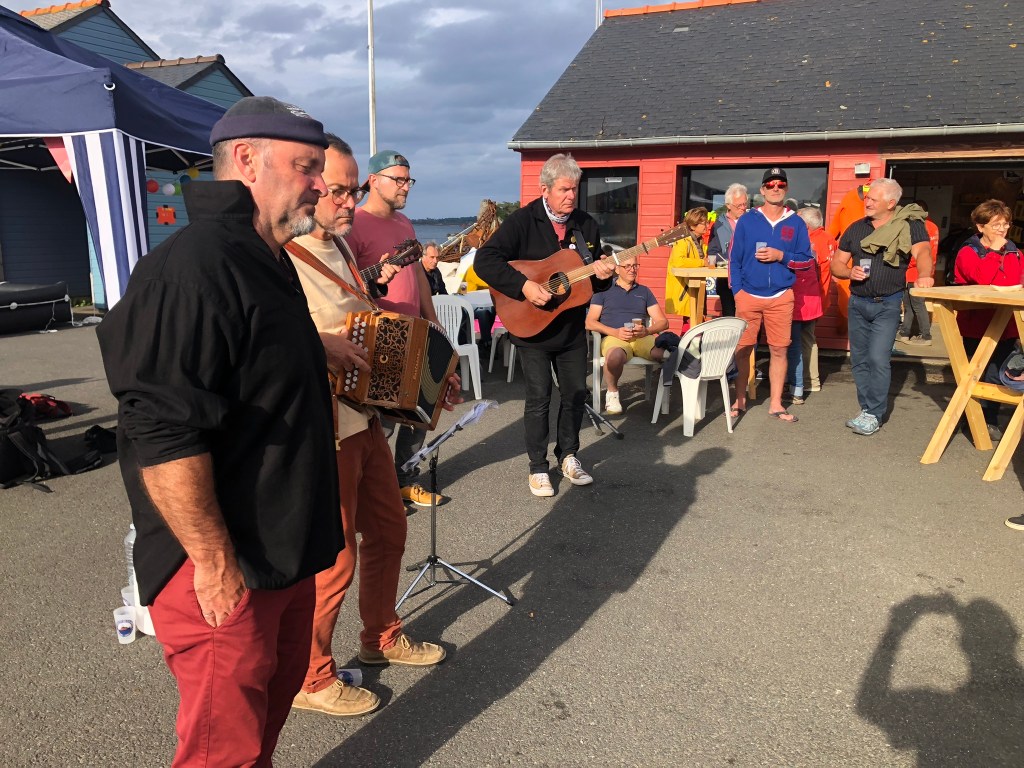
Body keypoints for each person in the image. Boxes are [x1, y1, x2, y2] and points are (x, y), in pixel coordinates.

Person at [97, 96, 345, 767]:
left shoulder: (266, 257)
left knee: (260, 730)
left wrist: (319, 348)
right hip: (223, 562)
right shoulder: (194, 265)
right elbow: (161, 429)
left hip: (283, 549)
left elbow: (248, 357)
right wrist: (212, 562)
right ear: (246, 160)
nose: (319, 184)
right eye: (306, 166)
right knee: (221, 752)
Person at [284, 136, 449, 718]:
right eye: (339, 190)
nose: (350, 202)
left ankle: (379, 636)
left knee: (389, 529)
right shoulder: (283, 255)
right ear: (309, 186)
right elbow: (265, 341)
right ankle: (310, 677)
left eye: (354, 190)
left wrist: (427, 372)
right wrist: (318, 344)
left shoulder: (339, 246)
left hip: (365, 419)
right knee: (334, 562)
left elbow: (366, 319)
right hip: (324, 430)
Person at [475, 153, 615, 497]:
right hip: (531, 326)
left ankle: (568, 456)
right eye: (564, 189)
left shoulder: (586, 225)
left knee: (576, 393)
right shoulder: (523, 221)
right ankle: (538, 467)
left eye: (575, 189)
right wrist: (524, 285)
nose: (571, 196)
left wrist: (603, 276)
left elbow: (590, 283)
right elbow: (485, 261)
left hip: (570, 328)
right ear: (545, 190)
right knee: (539, 397)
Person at [347, 149, 443, 508]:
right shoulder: (353, 223)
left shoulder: (404, 224)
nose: (406, 187)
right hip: (381, 336)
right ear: (374, 181)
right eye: (399, 180)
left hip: (415, 332)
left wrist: (432, 319)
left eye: (408, 180)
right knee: (382, 422)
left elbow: (418, 275)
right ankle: (371, 492)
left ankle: (405, 481)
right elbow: (347, 284)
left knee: (418, 414)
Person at [830, 178, 932, 436]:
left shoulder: (909, 225)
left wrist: (924, 275)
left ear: (891, 203)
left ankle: (874, 413)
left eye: (874, 199)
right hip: (858, 303)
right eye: (867, 197)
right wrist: (848, 272)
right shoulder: (856, 228)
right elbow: (836, 264)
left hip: (887, 303)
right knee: (859, 361)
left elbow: (923, 253)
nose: (867, 202)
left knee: (877, 359)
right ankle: (867, 410)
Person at [729, 167, 814, 423]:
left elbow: (807, 262)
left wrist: (781, 256)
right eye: (770, 184)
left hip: (781, 296)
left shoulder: (796, 222)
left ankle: (776, 403)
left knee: (779, 350)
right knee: (743, 350)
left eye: (780, 184)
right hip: (748, 295)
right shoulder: (747, 220)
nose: (775, 188)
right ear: (762, 190)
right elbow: (734, 259)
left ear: (786, 188)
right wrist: (738, 292)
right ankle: (740, 399)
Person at [952, 199, 1022, 442]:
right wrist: (993, 252)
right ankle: (968, 417)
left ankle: (989, 419)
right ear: (981, 227)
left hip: (1007, 324)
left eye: (1005, 224)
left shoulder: (1014, 251)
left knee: (998, 373)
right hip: (976, 324)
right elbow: (981, 278)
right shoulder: (968, 251)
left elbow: (1017, 281)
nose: (1002, 230)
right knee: (973, 373)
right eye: (996, 225)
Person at [585, 256, 670, 415]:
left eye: (635, 265)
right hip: (614, 336)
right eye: (628, 266)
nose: (633, 269)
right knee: (615, 357)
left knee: (665, 354)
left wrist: (647, 331)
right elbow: (589, 322)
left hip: (641, 336)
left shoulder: (644, 291)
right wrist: (615, 332)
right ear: (617, 269)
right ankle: (612, 393)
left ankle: (663, 395)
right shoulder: (603, 290)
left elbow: (663, 322)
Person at [791, 207, 835, 398]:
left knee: (802, 341)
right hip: (819, 297)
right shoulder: (828, 238)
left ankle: (807, 381)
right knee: (808, 339)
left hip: (808, 298)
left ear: (805, 225)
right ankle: (811, 380)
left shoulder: (812, 242)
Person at [827, 182, 871, 336]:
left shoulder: (849, 199)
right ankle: (845, 330)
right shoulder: (851, 199)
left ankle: (846, 330)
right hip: (851, 258)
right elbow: (832, 232)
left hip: (856, 259)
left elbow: (832, 231)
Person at [895, 200, 940, 345]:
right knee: (910, 304)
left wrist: (903, 265)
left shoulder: (918, 226)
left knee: (916, 305)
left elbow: (918, 253)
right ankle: (905, 332)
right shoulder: (933, 226)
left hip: (914, 272)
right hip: (925, 271)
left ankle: (925, 336)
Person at [707, 184, 748, 317]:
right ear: (728, 205)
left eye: (745, 204)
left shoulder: (753, 222)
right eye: (739, 205)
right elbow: (712, 253)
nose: (743, 208)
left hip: (749, 281)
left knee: (749, 319)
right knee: (730, 318)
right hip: (727, 281)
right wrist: (726, 260)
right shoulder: (718, 225)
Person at [664, 207, 710, 327]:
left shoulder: (699, 241)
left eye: (707, 222)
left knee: (696, 320)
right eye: (703, 223)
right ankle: (687, 340)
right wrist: (702, 262)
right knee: (690, 321)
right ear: (693, 225)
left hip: (696, 286)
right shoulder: (683, 240)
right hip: (686, 288)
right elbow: (678, 262)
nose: (707, 225)